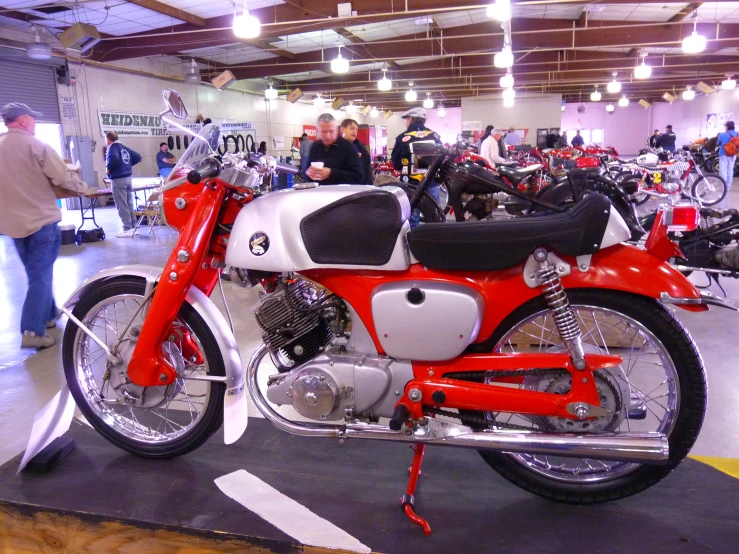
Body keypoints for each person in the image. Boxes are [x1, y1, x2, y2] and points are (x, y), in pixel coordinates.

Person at [0, 102, 88, 349]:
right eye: (33, 118)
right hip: (42, 223)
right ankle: (32, 331)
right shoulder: (36, 146)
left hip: (13, 226)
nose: (35, 123)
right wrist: (82, 187)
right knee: (40, 275)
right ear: (23, 120)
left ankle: (49, 315)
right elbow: (61, 176)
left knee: (36, 272)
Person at [391, 107, 443, 228]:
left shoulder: (402, 138)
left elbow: (396, 164)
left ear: (410, 119)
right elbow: (442, 159)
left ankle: (412, 245)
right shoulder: (435, 136)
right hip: (431, 182)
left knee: (411, 219)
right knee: (435, 217)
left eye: (406, 120)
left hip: (410, 184)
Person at [305, 113, 363, 185]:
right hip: (319, 194)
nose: (327, 136)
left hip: (343, 194)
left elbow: (359, 177)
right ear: (318, 131)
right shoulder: (315, 147)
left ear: (336, 130)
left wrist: (331, 173)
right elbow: (307, 176)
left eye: (331, 131)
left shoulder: (348, 147)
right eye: (324, 132)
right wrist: (308, 174)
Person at [105, 131, 142, 238]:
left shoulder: (112, 148)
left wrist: (109, 169)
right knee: (129, 203)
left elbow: (114, 159)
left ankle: (127, 228)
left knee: (122, 205)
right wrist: (127, 166)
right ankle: (134, 227)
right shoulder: (124, 147)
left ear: (108, 140)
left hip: (118, 180)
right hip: (128, 178)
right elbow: (138, 157)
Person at [341, 118, 373, 185]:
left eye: (356, 129)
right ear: (343, 129)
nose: (355, 131)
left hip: (361, 187)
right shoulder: (337, 147)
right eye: (352, 128)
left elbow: (368, 170)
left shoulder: (361, 148)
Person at [717, 121, 738, 191]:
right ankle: (728, 186)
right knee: (730, 169)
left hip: (724, 153)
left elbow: (718, 143)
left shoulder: (722, 134)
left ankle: (723, 185)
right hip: (733, 154)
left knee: (723, 170)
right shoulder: (737, 134)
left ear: (727, 127)